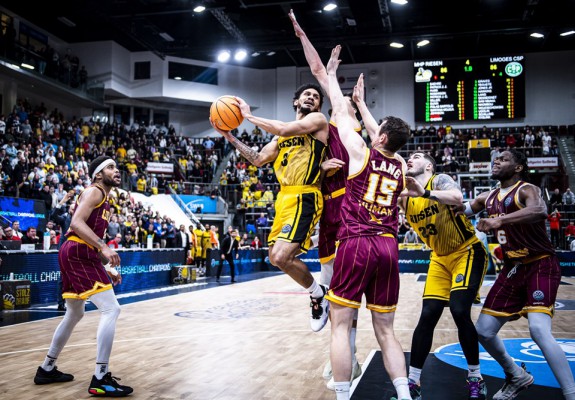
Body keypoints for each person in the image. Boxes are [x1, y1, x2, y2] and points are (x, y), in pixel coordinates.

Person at [289, 10, 379, 388]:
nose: (336, 101)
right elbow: (317, 73)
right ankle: (342, 352)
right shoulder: (323, 127)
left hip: (356, 208)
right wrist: (302, 36)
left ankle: (351, 357)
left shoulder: (355, 125)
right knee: (334, 293)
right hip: (330, 211)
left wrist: (353, 98)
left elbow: (323, 78)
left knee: (350, 294)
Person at [324, 45, 412, 400]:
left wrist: (332, 76)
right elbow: (387, 137)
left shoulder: (360, 153)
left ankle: (343, 395)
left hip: (356, 242)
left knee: (340, 325)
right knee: (387, 331)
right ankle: (404, 395)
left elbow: (340, 115)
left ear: (381, 137)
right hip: (389, 247)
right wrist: (363, 104)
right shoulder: (402, 165)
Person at [210, 80, 330, 331]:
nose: (310, 97)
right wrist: (230, 136)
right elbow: (258, 159)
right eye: (305, 94)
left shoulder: (317, 121)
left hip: (305, 195)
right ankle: (317, 285)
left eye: (315, 96)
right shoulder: (279, 137)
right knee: (275, 259)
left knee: (280, 255)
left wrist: (249, 116)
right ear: (296, 102)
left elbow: (287, 129)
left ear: (319, 105)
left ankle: (318, 295)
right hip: (285, 198)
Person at [461, 149, 575, 400]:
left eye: (503, 159)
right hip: (513, 268)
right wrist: (425, 195)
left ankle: (571, 393)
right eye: (495, 158)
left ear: (518, 168)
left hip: (540, 263)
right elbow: (458, 210)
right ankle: (516, 374)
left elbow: (539, 211)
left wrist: (500, 221)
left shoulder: (526, 190)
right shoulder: (487, 197)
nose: (496, 161)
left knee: (538, 329)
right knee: (483, 330)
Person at [33, 155, 133, 397]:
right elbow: (77, 224)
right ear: (98, 174)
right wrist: (105, 247)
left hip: (76, 251)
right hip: (77, 251)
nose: (116, 170)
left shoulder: (105, 201)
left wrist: (105, 265)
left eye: (116, 167)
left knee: (75, 312)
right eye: (110, 167)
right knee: (111, 309)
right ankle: (100, 377)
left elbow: (87, 236)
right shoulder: (95, 191)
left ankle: (47, 368)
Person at [400, 152, 489, 399]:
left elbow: (457, 197)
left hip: (466, 250)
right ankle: (413, 383)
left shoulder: (438, 180)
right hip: (439, 257)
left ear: (428, 165)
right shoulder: (404, 198)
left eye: (415, 157)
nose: (410, 159)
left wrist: (425, 193)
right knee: (427, 315)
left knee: (460, 310)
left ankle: (475, 377)